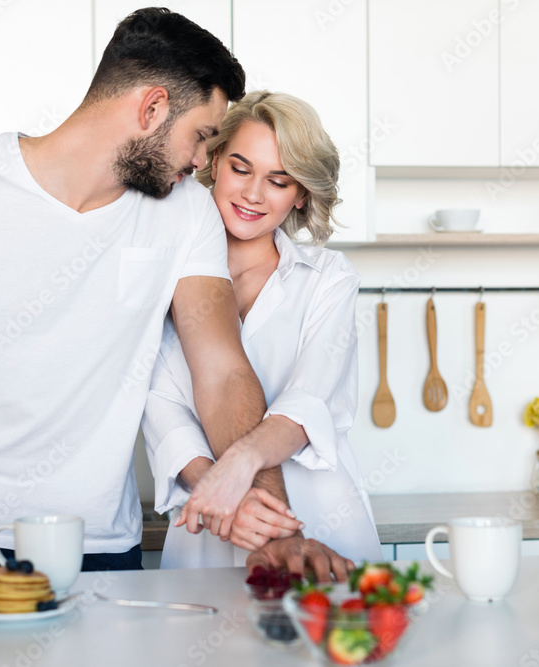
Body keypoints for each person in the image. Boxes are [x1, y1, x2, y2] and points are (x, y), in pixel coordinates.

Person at [0, 8, 326, 588]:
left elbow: (223, 372)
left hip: (99, 546)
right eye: (201, 136)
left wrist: (274, 522)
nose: (202, 162)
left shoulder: (185, 214)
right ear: (151, 109)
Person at [143, 91, 384, 572]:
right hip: (212, 518)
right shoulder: (159, 278)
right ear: (212, 163)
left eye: (278, 180)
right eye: (240, 168)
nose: (254, 194)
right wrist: (223, 491)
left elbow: (307, 404)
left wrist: (240, 465)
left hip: (320, 517)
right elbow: (160, 409)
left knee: (333, 640)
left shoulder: (329, 279)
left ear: (301, 195)